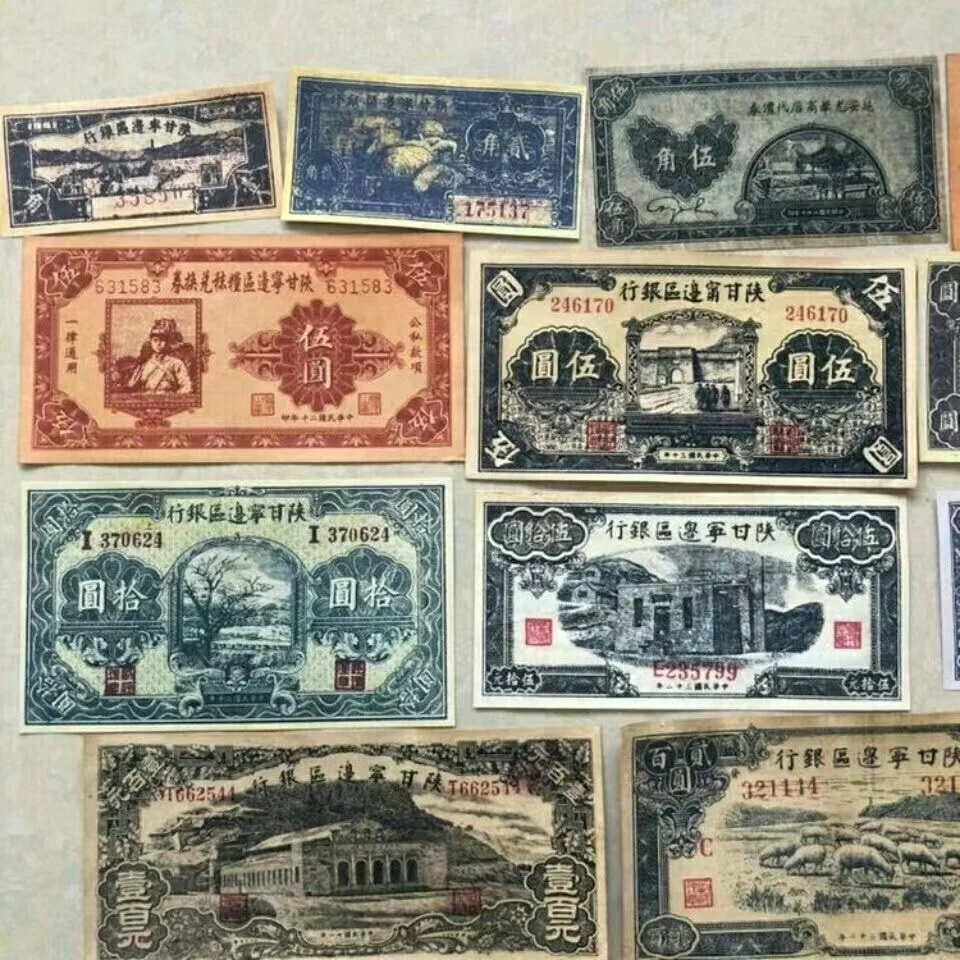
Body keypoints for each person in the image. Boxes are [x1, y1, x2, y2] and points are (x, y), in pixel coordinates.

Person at [121, 318, 193, 393]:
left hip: (168, 397)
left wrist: (176, 395)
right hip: (147, 398)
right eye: (155, 340)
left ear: (167, 342)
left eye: (162, 340)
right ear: (151, 342)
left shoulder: (176, 363)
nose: (158, 344)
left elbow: (187, 386)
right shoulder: (144, 363)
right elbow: (132, 386)